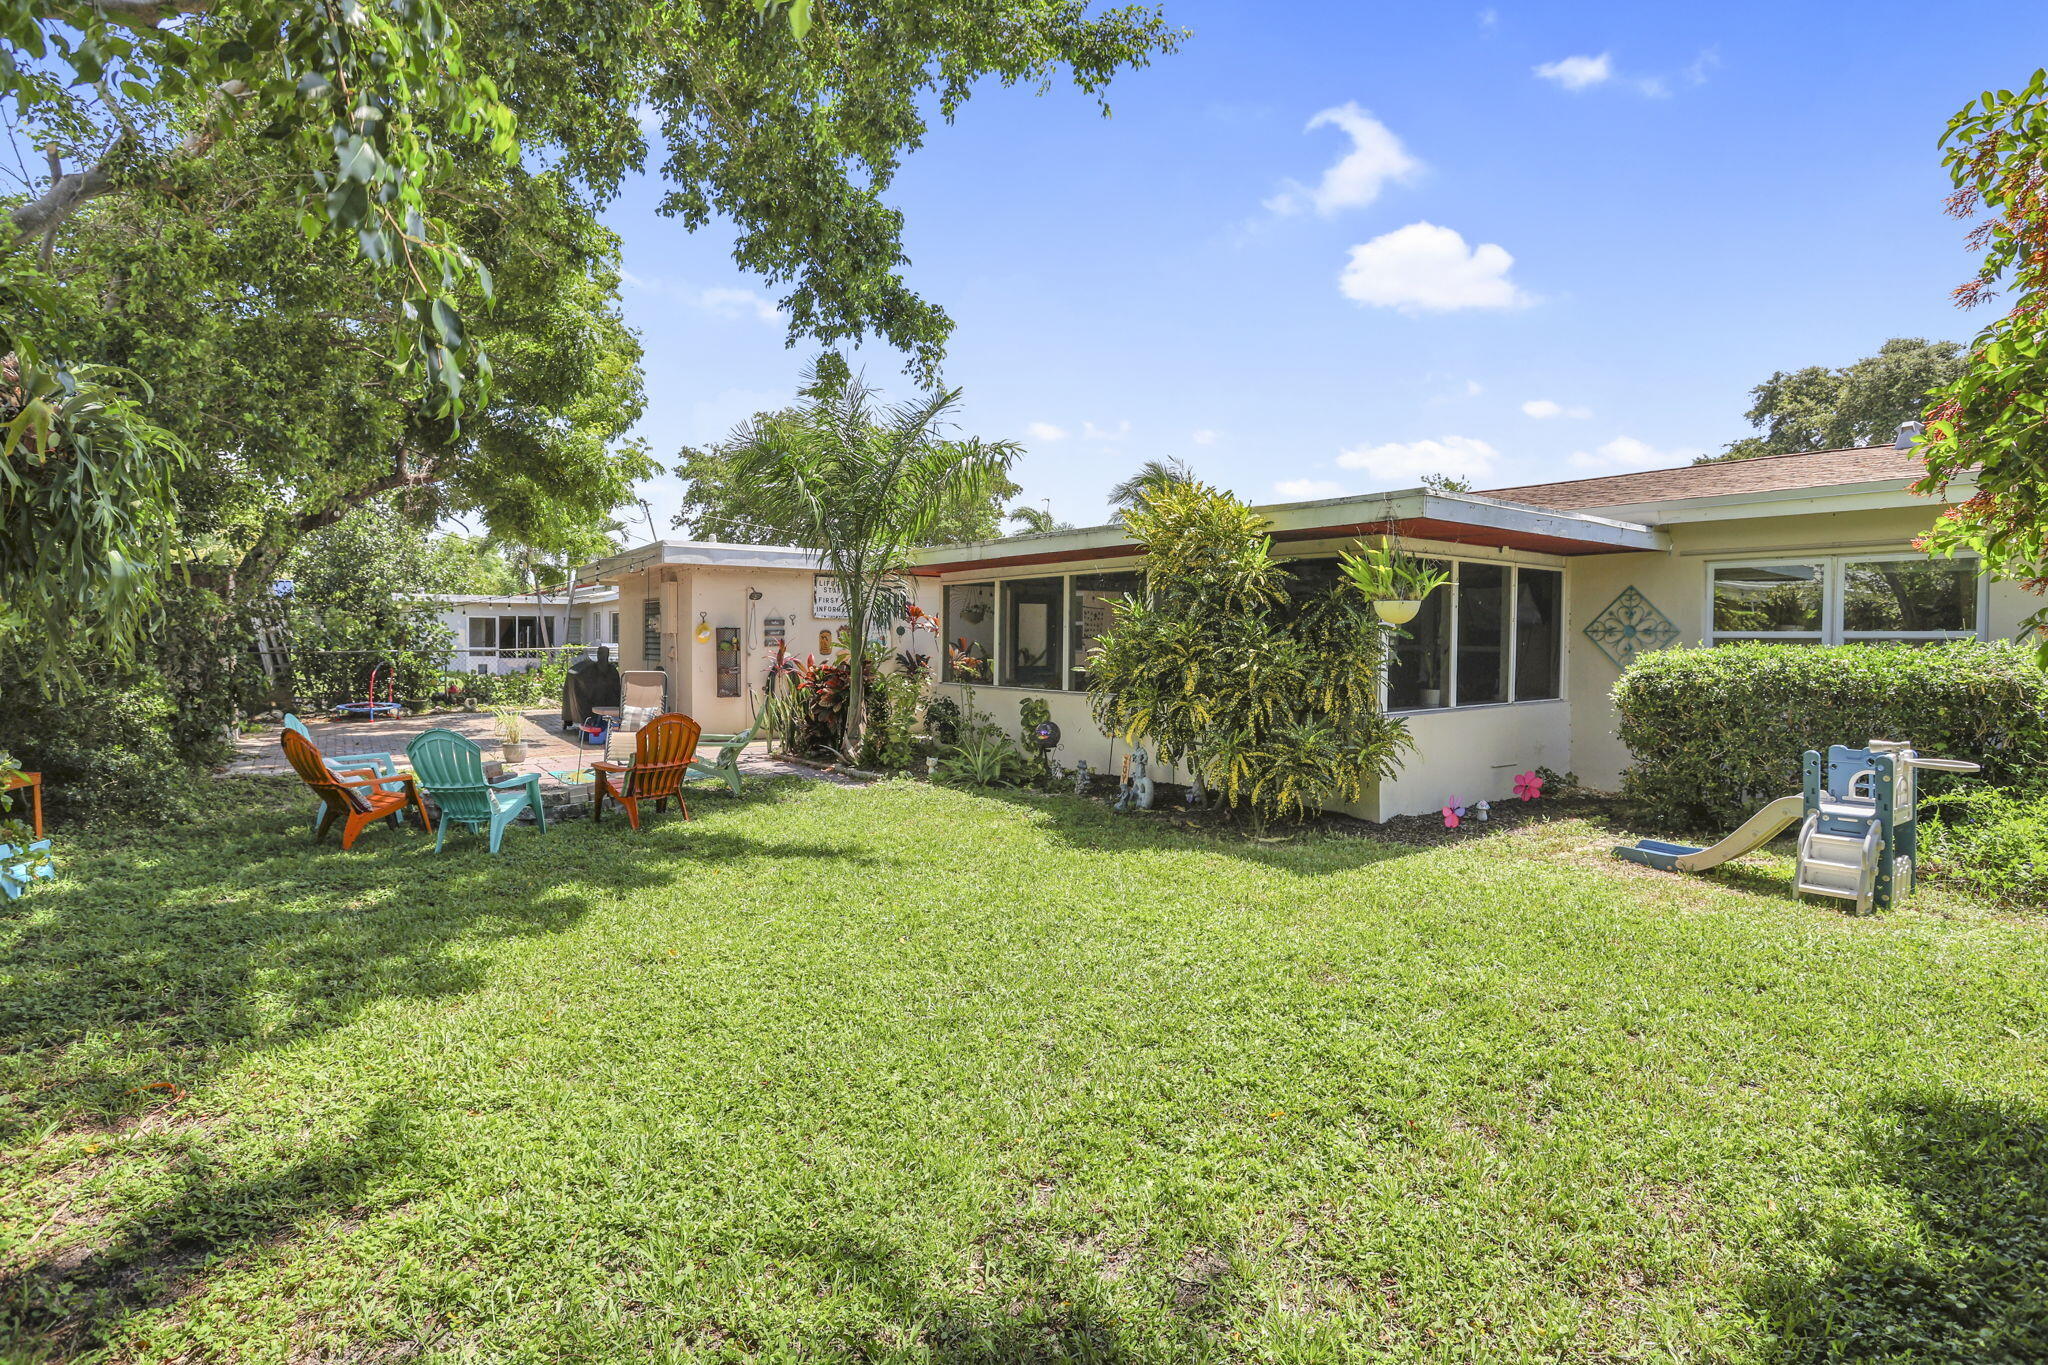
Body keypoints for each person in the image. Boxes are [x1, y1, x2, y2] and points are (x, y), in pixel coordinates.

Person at [560, 644, 621, 731]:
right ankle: (589, 720)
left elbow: (616, 687)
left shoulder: (612, 670)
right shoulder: (588, 671)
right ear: (598, 655)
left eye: (605, 654)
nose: (603, 657)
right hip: (592, 699)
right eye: (601, 654)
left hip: (607, 698)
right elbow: (582, 686)